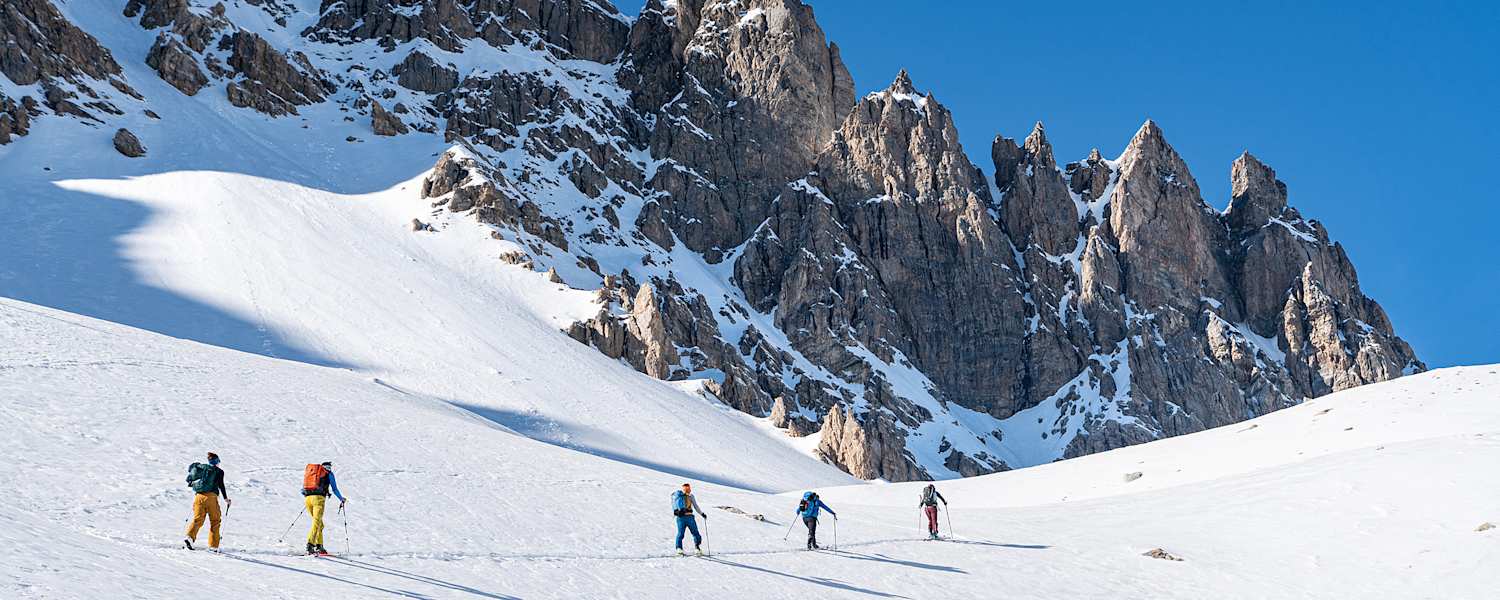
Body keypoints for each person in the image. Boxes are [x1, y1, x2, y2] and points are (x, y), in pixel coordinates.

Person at [184, 452, 230, 551]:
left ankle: (189, 538)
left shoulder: (202, 468)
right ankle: (213, 546)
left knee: (198, 520)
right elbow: (221, 485)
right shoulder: (219, 471)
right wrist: (226, 499)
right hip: (211, 498)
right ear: (217, 461)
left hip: (198, 497)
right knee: (215, 521)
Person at [301, 461, 346, 555]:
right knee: (317, 522)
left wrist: (311, 495)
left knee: (320, 524)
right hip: (319, 500)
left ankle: (319, 546)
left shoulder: (313, 474)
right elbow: (334, 489)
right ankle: (310, 544)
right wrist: (341, 499)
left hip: (308, 499)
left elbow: (303, 489)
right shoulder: (328, 473)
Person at [671, 483, 707, 556]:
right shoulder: (690, 496)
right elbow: (696, 506)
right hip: (690, 517)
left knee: (680, 533)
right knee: (695, 533)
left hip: (680, 518)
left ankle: (679, 549)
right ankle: (697, 548)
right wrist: (702, 514)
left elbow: (674, 506)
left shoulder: (677, 496)